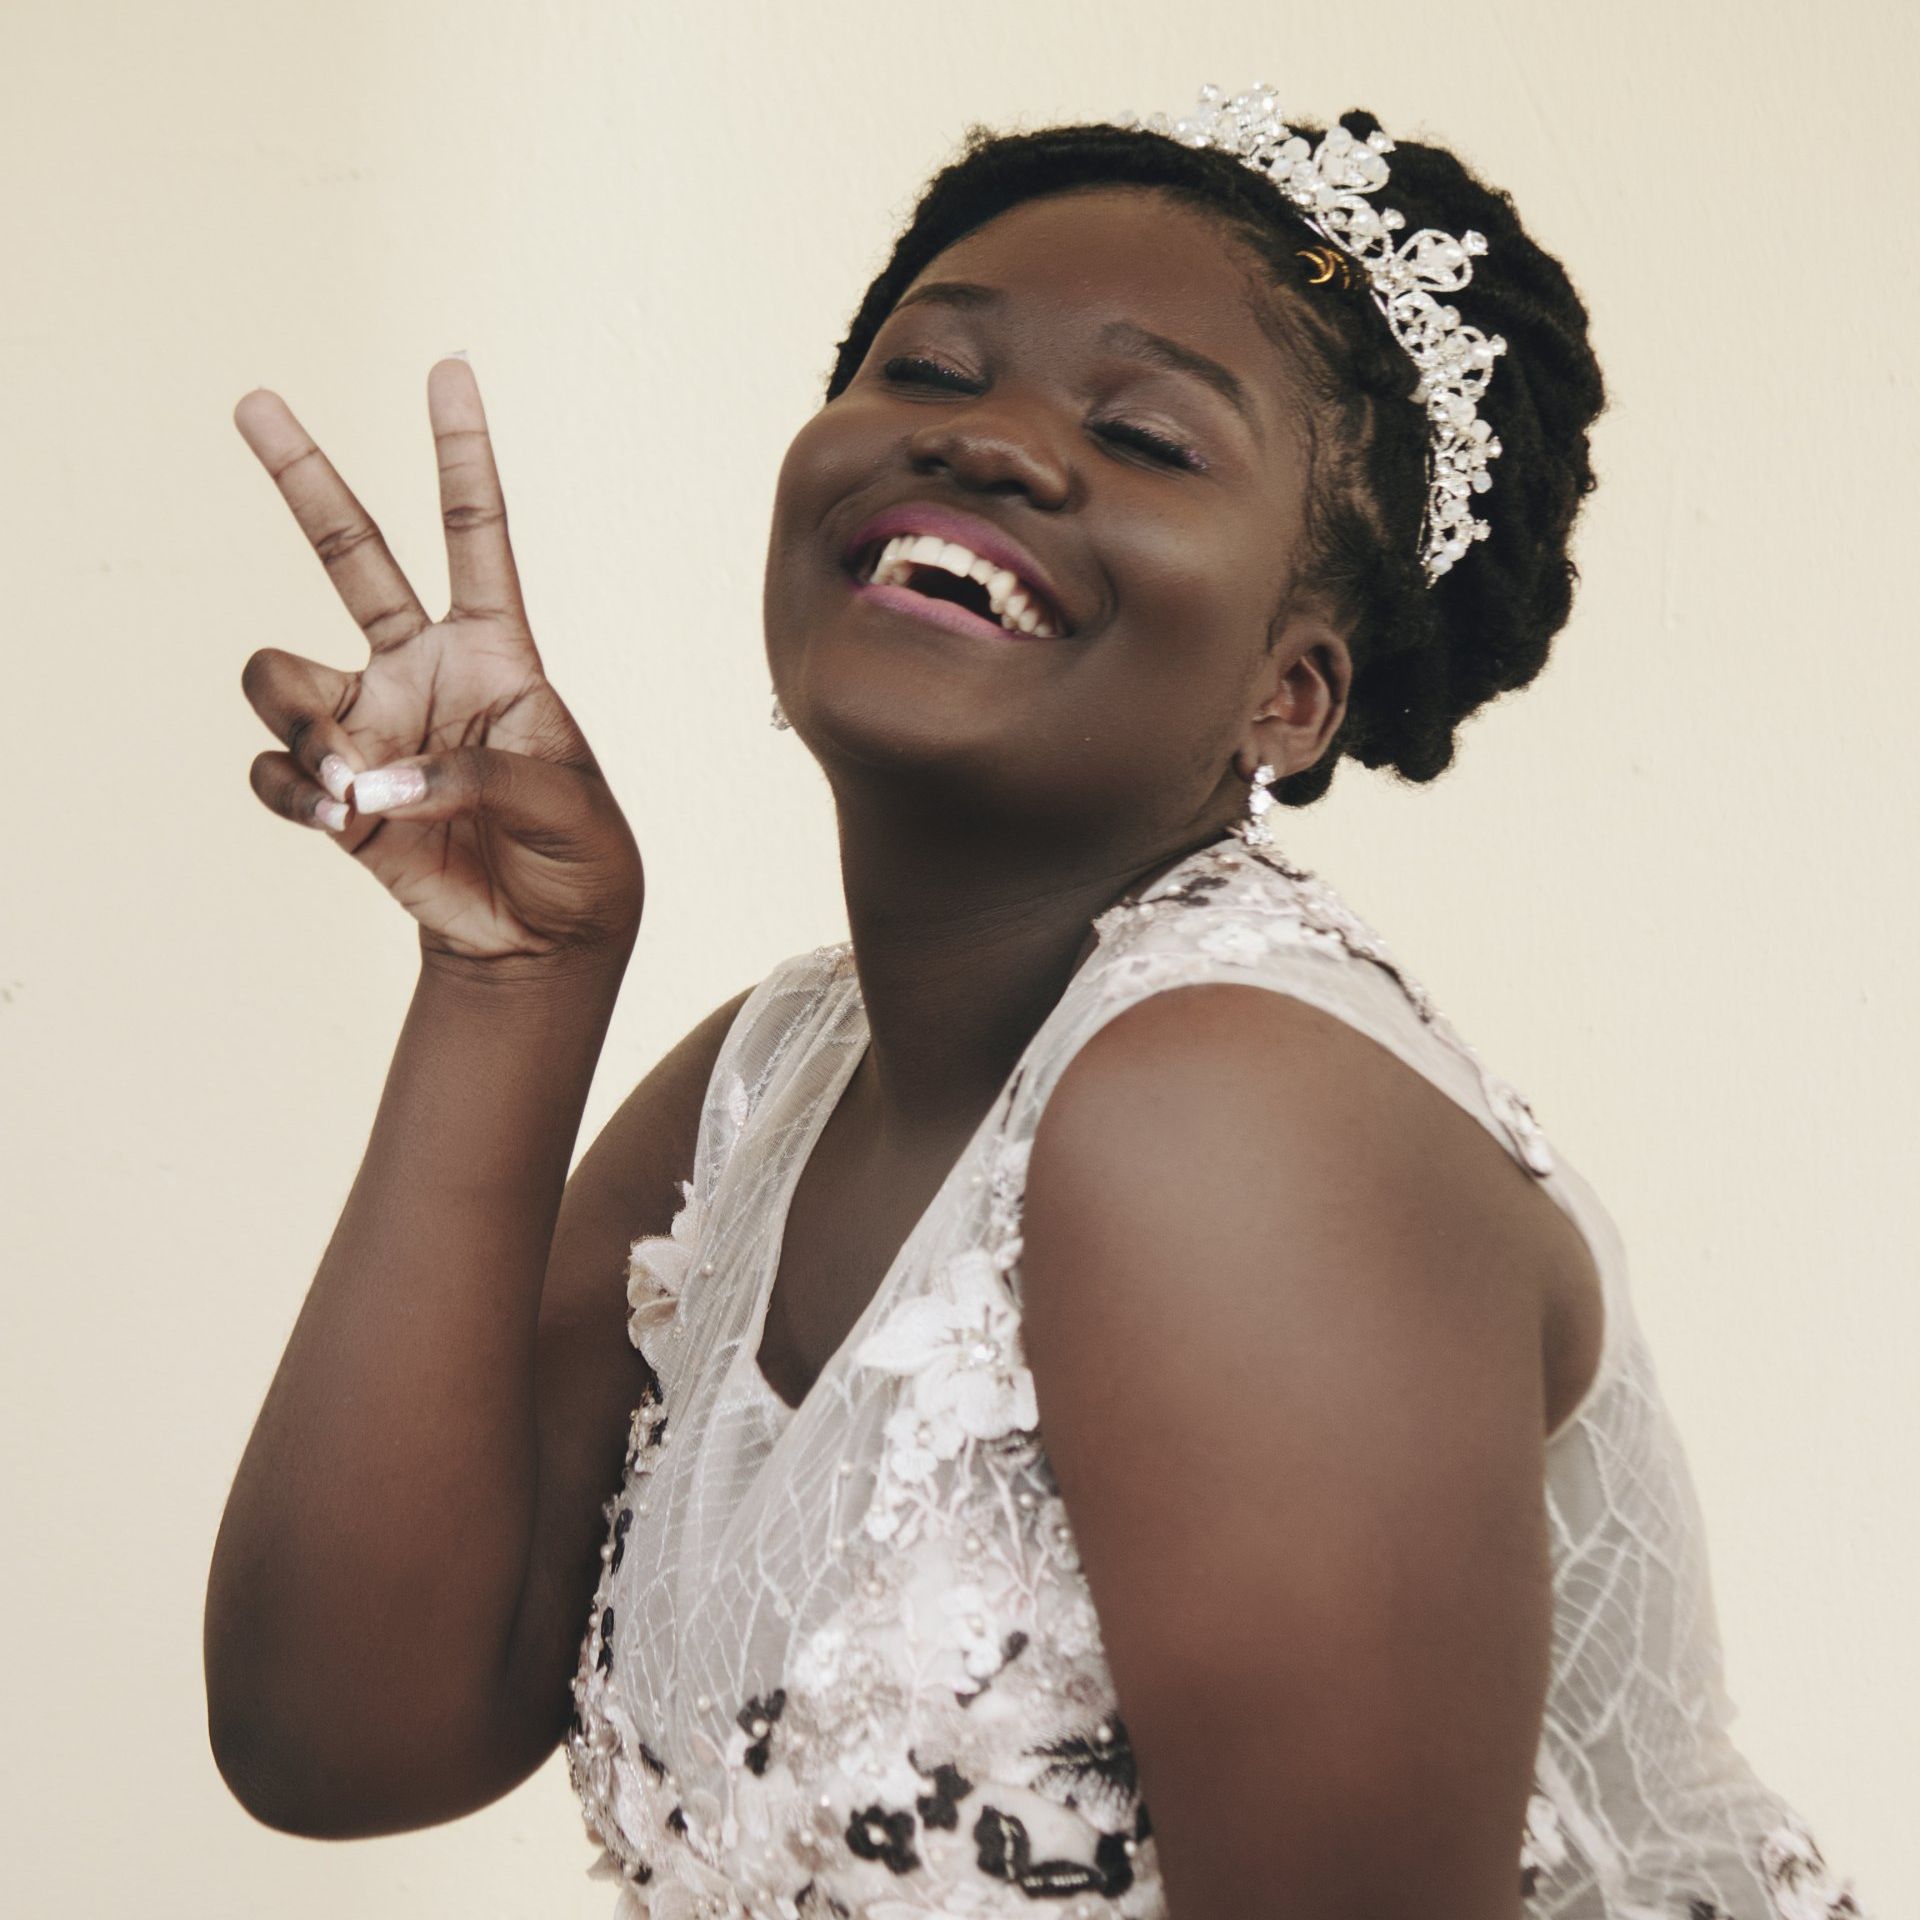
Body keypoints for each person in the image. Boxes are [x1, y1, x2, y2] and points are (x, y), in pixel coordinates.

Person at [203, 91, 1875, 1920]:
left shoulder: (1231, 1115)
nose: (994, 446)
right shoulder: (771, 1078)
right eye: (930, 371)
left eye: (1148, 435)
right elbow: (338, 1734)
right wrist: (507, 978)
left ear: (1292, 698)